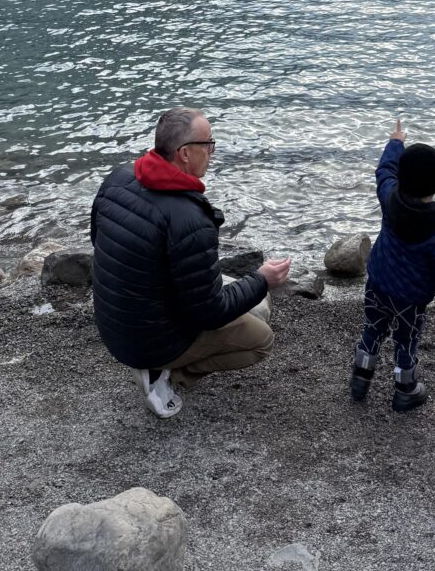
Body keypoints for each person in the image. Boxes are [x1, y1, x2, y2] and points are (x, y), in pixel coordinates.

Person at [91, 106, 291, 418]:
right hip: (148, 342)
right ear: (184, 154)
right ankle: (165, 373)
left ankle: (159, 361)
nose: (212, 151)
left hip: (113, 326)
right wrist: (263, 279)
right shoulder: (190, 218)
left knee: (245, 299)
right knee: (261, 338)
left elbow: (98, 241)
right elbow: (211, 312)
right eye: (208, 144)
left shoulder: (118, 179)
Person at [349, 117, 435, 412]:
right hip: (411, 300)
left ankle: (360, 378)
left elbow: (384, 171)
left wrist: (395, 141)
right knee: (406, 341)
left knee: (373, 328)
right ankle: (405, 389)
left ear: (403, 178)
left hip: (378, 283)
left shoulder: (390, 198)